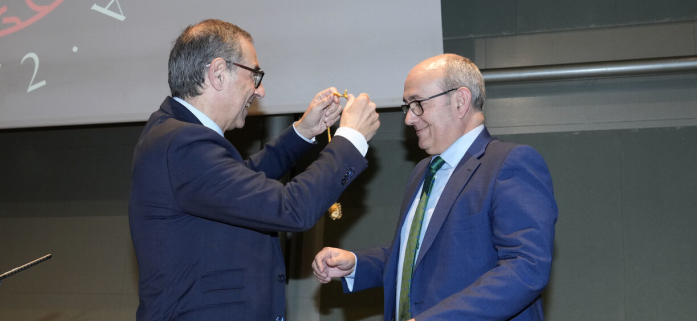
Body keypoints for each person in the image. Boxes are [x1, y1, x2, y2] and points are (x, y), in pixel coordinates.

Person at [129, 19, 380, 321]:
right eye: (255, 75)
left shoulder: (176, 135)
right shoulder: (183, 143)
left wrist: (302, 132)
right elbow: (290, 209)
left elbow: (241, 181)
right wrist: (350, 140)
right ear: (218, 73)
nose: (260, 91)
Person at [312, 54, 558, 321]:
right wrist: (356, 264)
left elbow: (526, 268)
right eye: (407, 106)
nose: (408, 119)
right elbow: (417, 255)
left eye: (417, 104)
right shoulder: (423, 171)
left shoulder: (509, 163)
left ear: (460, 101)